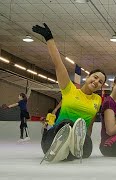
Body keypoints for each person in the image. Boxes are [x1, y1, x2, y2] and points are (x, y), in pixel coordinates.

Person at [32, 23, 106, 163]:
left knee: (87, 146)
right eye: (95, 77)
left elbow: (89, 124)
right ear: (87, 77)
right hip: (54, 136)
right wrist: (49, 39)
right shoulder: (69, 89)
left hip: (79, 140)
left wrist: (87, 138)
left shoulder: (97, 100)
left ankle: (70, 149)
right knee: (68, 123)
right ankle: (63, 148)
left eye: (100, 82)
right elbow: (59, 64)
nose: (96, 81)